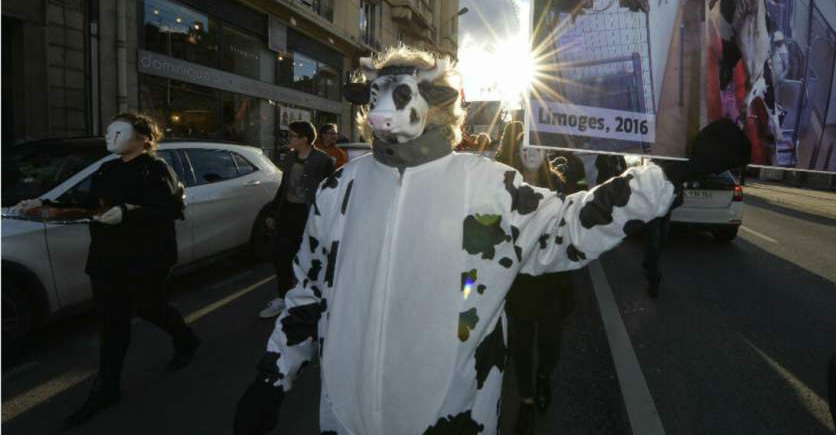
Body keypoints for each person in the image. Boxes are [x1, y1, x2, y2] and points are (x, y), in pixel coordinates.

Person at [232, 46, 749, 435]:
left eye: (398, 94)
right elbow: (308, 295)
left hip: (451, 421)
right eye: (375, 97)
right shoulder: (338, 190)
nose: (380, 111)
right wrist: (272, 377)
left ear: (438, 106)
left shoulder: (487, 186)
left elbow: (568, 227)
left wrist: (666, 175)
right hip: (342, 421)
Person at [14, 113, 199, 428]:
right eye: (108, 131)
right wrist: (41, 203)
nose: (110, 137)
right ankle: (107, 388)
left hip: (146, 256)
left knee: (149, 307)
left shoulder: (157, 169)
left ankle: (186, 339)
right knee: (112, 322)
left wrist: (128, 211)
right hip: (107, 256)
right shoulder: (108, 168)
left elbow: (168, 210)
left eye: (118, 131)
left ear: (143, 138)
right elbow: (85, 201)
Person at [496, 122, 576, 435]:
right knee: (521, 342)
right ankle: (527, 400)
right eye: (525, 148)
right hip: (518, 283)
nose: (530, 153)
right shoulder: (505, 187)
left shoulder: (558, 187)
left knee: (550, 344)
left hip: (550, 282)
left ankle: (544, 376)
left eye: (536, 148)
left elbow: (568, 233)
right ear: (518, 152)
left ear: (544, 154)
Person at [258, 121, 335, 319]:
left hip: (309, 215)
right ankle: (283, 298)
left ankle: (309, 299)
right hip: (288, 212)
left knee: (309, 258)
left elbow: (330, 192)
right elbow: (284, 187)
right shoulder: (290, 158)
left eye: (292, 135)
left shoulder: (323, 159)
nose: (289, 139)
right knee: (281, 256)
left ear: (304, 138)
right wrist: (273, 213)